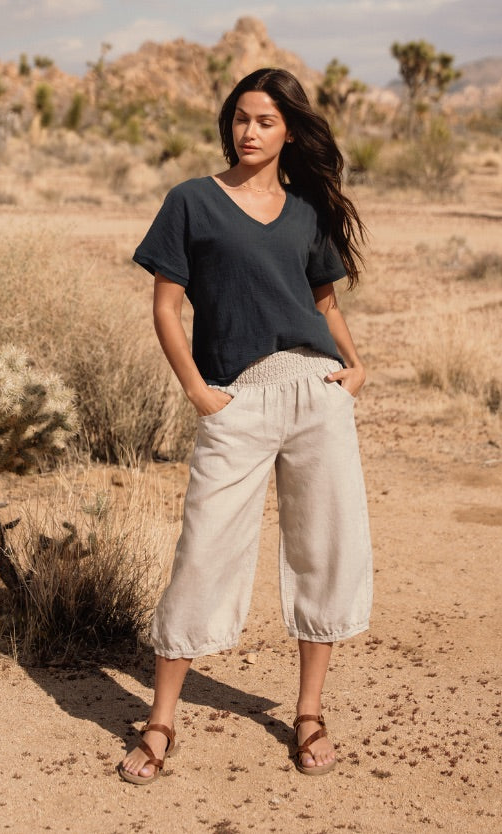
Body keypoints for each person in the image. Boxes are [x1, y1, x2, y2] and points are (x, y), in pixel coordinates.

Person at [119, 67, 372, 784]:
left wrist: (355, 367)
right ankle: (161, 719)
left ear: (290, 129)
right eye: (240, 118)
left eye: (264, 121)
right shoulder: (193, 201)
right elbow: (167, 308)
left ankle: (309, 711)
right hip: (239, 399)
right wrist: (199, 391)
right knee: (202, 552)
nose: (249, 131)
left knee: (325, 551)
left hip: (316, 393)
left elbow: (322, 302)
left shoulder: (305, 212)